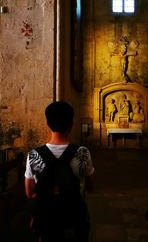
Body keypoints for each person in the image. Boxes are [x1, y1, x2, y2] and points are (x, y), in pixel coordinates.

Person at [24, 101, 94, 242]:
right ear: (71, 123)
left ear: (47, 123)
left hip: (45, 221)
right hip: (74, 220)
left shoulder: (33, 155)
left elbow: (30, 192)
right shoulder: (82, 153)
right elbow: (91, 187)